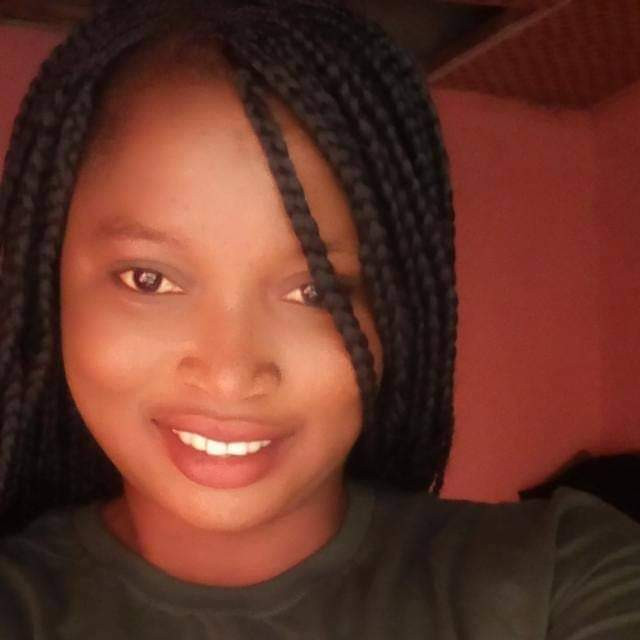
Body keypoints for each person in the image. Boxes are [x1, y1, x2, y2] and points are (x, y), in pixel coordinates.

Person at [0, 1, 638, 637]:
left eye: (315, 292)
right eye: (150, 279)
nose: (230, 372)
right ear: (47, 280)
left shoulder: (563, 576)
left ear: (395, 311)